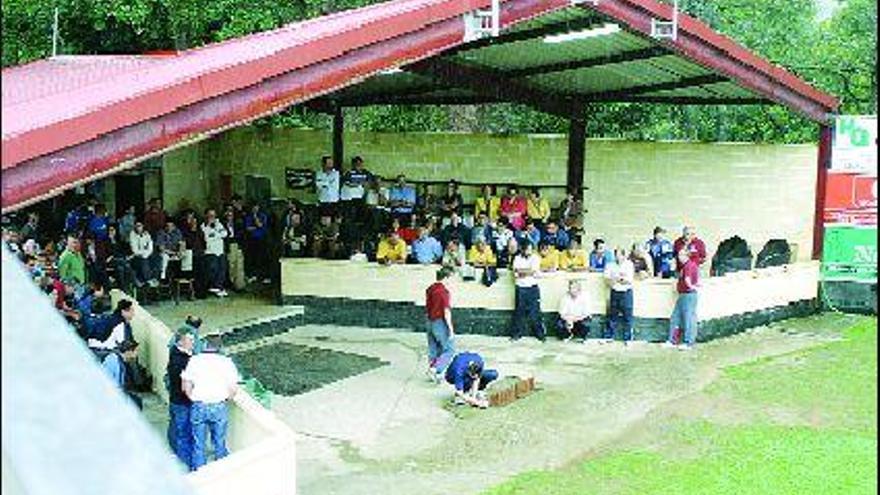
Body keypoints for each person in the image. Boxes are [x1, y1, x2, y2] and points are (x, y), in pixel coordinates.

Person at [181, 335, 241, 471]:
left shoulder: (194, 360)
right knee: (219, 443)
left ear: (204, 345)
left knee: (198, 444)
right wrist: (225, 399)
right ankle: (221, 474)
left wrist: (193, 397)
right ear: (219, 347)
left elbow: (185, 386)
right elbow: (233, 389)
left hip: (199, 405)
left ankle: (199, 475)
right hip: (219, 406)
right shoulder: (227, 362)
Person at [167, 327, 195, 470]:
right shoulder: (182, 361)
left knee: (175, 428)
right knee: (184, 434)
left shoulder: (174, 353)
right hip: (182, 402)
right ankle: (186, 465)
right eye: (190, 340)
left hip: (175, 399)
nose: (193, 342)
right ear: (180, 342)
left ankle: (175, 453)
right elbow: (186, 384)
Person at [665, 248, 701, 350]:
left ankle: (688, 342)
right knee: (676, 317)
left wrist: (691, 287)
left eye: (681, 255)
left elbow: (687, 280)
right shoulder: (689, 266)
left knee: (688, 319)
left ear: (687, 255)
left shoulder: (688, 266)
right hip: (684, 294)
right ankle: (673, 340)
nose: (679, 257)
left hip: (688, 294)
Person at [510, 242, 546, 341]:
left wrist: (523, 271)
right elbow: (516, 272)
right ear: (522, 249)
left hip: (533, 288)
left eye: (530, 249)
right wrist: (527, 271)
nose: (529, 251)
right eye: (527, 249)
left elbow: (533, 271)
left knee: (535, 312)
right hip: (520, 288)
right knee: (519, 312)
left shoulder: (535, 258)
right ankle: (516, 334)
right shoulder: (517, 258)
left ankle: (540, 334)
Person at [425, 267, 456, 383]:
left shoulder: (430, 288)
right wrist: (451, 329)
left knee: (434, 348)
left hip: (429, 321)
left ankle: (434, 372)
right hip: (440, 322)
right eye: (451, 278)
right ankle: (436, 369)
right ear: (446, 277)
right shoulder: (444, 292)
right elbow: (446, 312)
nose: (451, 281)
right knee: (449, 349)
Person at [101, 338, 143, 409]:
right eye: (135, 351)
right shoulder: (118, 364)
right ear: (129, 351)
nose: (136, 354)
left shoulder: (115, 357)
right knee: (136, 402)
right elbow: (118, 387)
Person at [603, 248, 634, 344]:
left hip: (626, 292)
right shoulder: (610, 265)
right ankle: (609, 336)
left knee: (627, 316)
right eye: (616, 255)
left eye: (620, 255)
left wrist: (616, 279)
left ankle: (628, 338)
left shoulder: (629, 264)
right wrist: (618, 279)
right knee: (612, 315)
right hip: (614, 291)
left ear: (624, 256)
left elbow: (628, 280)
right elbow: (607, 280)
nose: (618, 257)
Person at [201, 209, 229, 297]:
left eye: (213, 215)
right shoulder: (203, 226)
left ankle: (219, 287)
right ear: (206, 216)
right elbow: (206, 238)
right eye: (210, 215)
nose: (212, 217)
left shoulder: (219, 224)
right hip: (210, 251)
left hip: (220, 250)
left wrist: (215, 233)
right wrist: (216, 234)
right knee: (214, 268)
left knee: (223, 269)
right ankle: (214, 286)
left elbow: (225, 234)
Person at [340, 156, 373, 222]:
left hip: (361, 197)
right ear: (353, 164)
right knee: (349, 215)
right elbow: (347, 183)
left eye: (360, 163)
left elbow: (370, 182)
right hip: (349, 198)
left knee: (360, 214)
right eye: (356, 163)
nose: (358, 165)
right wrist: (358, 184)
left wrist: (366, 186)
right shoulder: (349, 172)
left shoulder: (366, 173)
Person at [244, 203, 271, 284]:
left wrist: (255, 218)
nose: (255, 208)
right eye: (253, 207)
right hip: (252, 240)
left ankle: (265, 276)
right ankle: (253, 276)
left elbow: (260, 225)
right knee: (253, 258)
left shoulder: (263, 216)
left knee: (263, 258)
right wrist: (256, 227)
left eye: (256, 207)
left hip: (262, 239)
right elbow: (248, 228)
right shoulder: (248, 217)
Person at [129, 221, 160, 288]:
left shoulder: (147, 234)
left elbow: (150, 248)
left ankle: (155, 278)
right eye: (137, 226)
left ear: (143, 226)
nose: (138, 227)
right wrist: (144, 254)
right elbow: (135, 250)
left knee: (158, 258)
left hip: (147, 256)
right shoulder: (132, 235)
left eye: (140, 225)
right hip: (136, 258)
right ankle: (149, 279)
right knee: (143, 261)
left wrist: (146, 254)